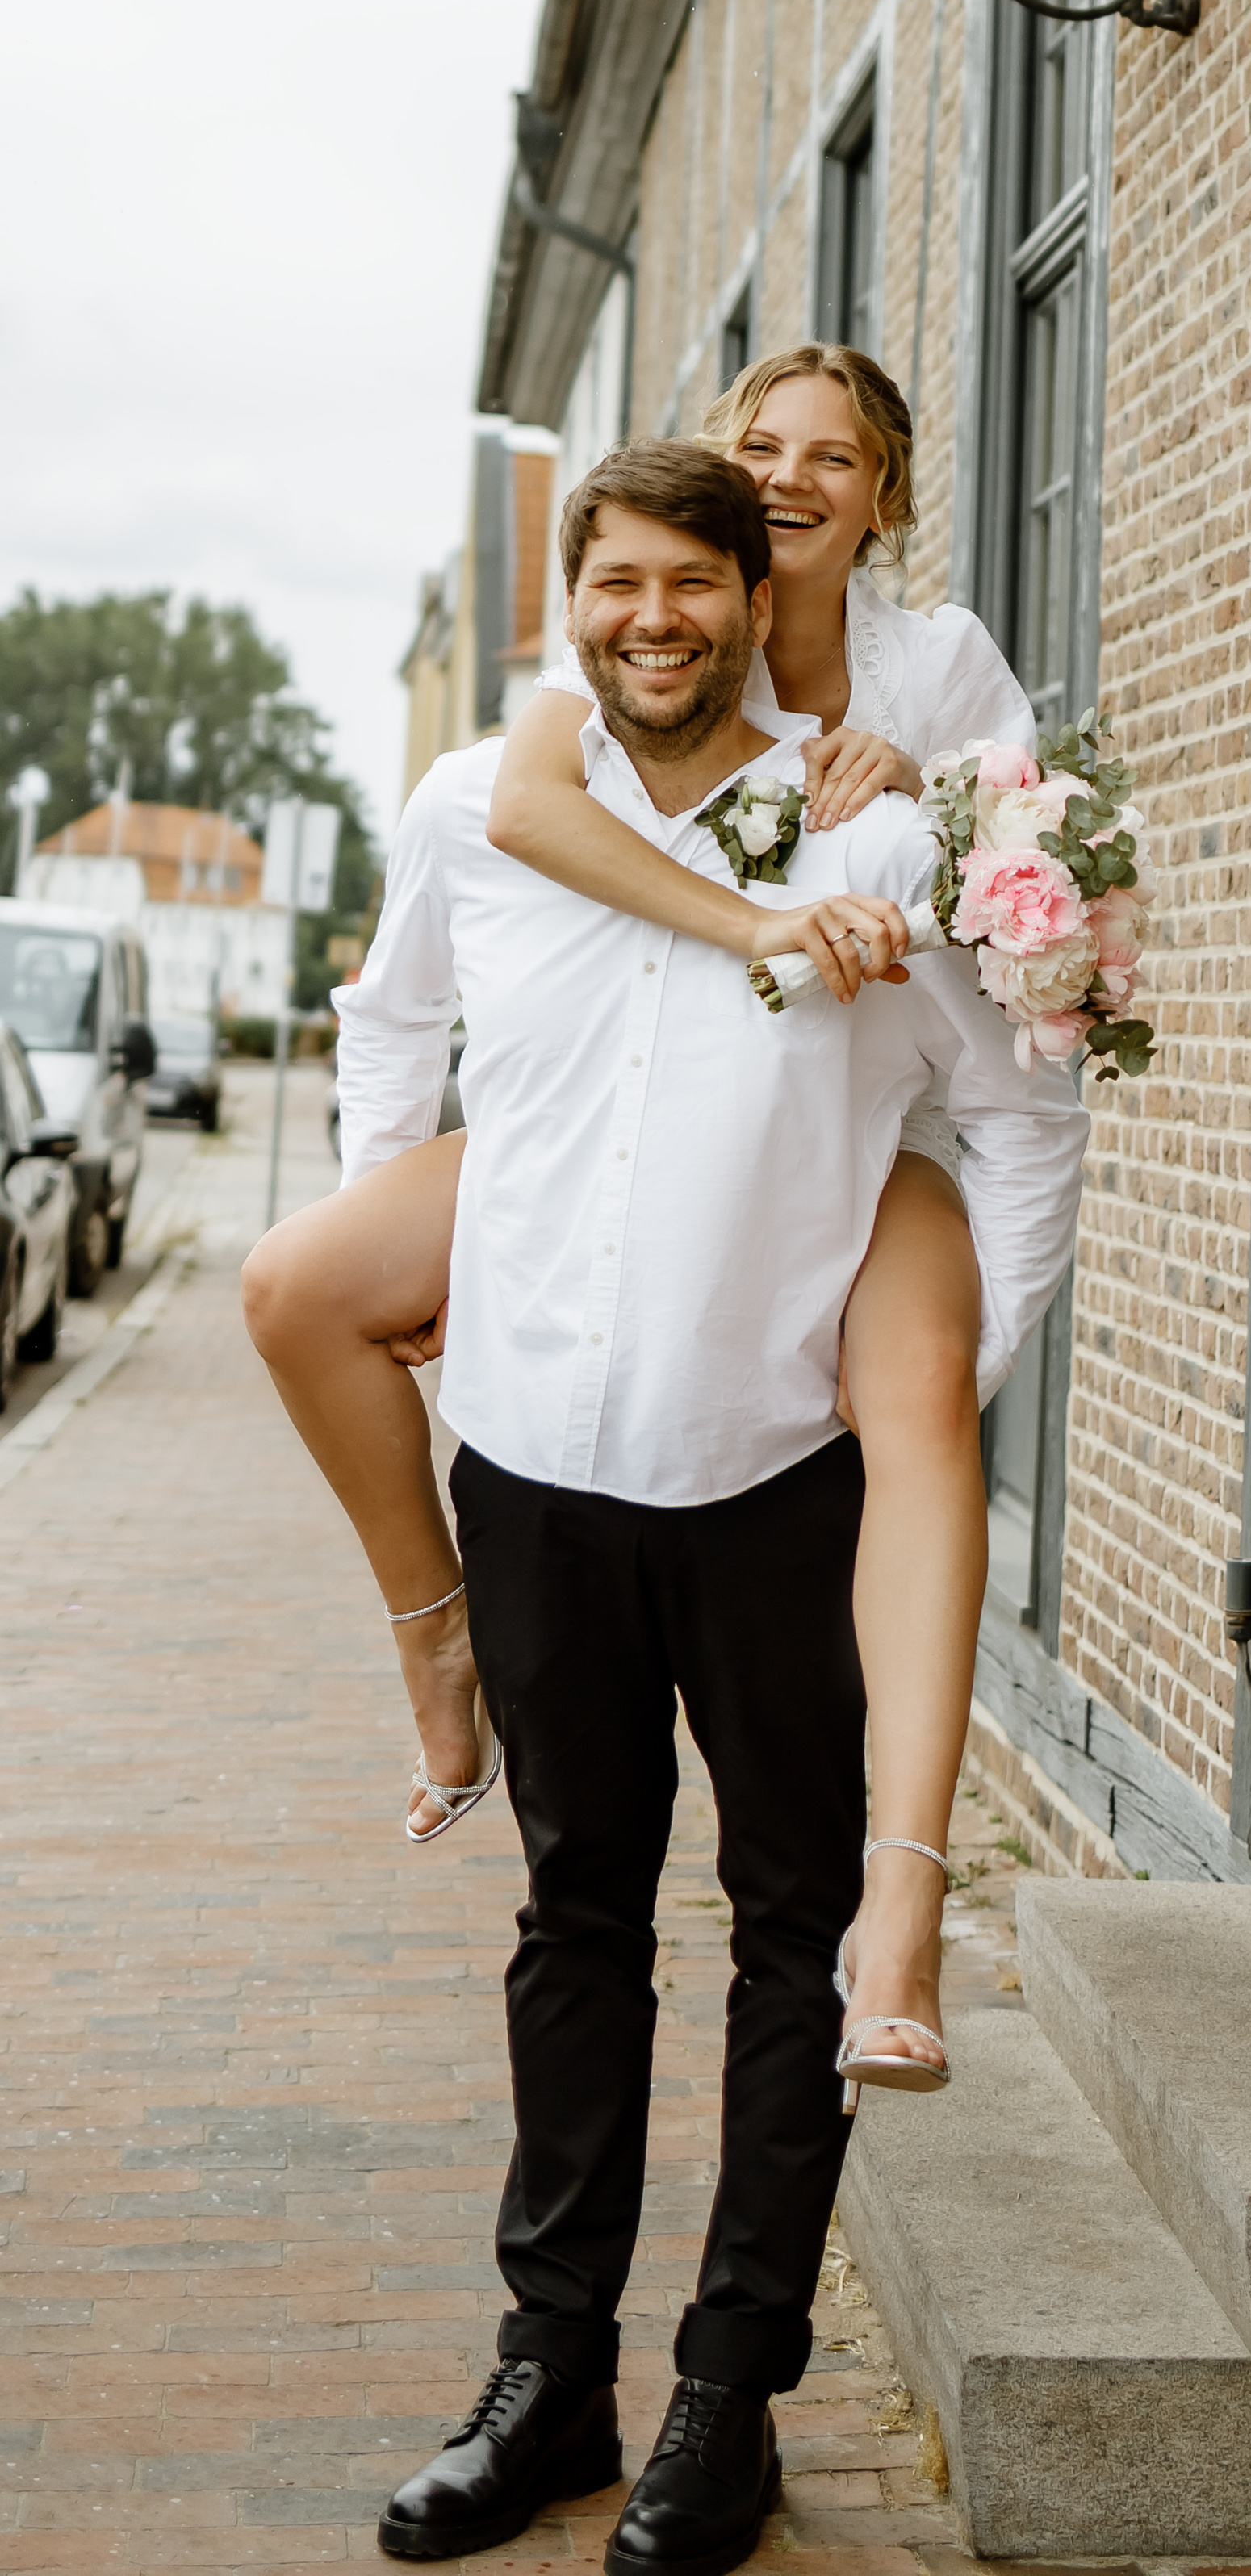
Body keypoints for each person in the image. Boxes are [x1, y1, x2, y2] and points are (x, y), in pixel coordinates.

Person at [328, 444, 1086, 2568]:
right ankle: (548, 2376)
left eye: (694, 586)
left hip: (778, 1480)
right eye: (619, 586)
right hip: (540, 1467)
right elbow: (392, 1036)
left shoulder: (875, 819)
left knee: (786, 1938)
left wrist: (956, 1359)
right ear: (572, 600)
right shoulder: (477, 804)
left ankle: (726, 2403)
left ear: (764, 601)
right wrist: (397, 1252)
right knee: (575, 1929)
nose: (653, 619)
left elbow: (1016, 1099)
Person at [241, 346, 1036, 2087]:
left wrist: (904, 793)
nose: (788, 476)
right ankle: (430, 1635)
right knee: (297, 1284)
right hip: (605, 1115)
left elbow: (1012, 972)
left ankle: (894, 1901)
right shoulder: (593, 682)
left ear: (871, 505)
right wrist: (413, 1210)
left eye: (833, 458)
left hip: (858, 1132)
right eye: (759, 447)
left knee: (915, 1407)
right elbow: (516, 820)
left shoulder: (943, 668)